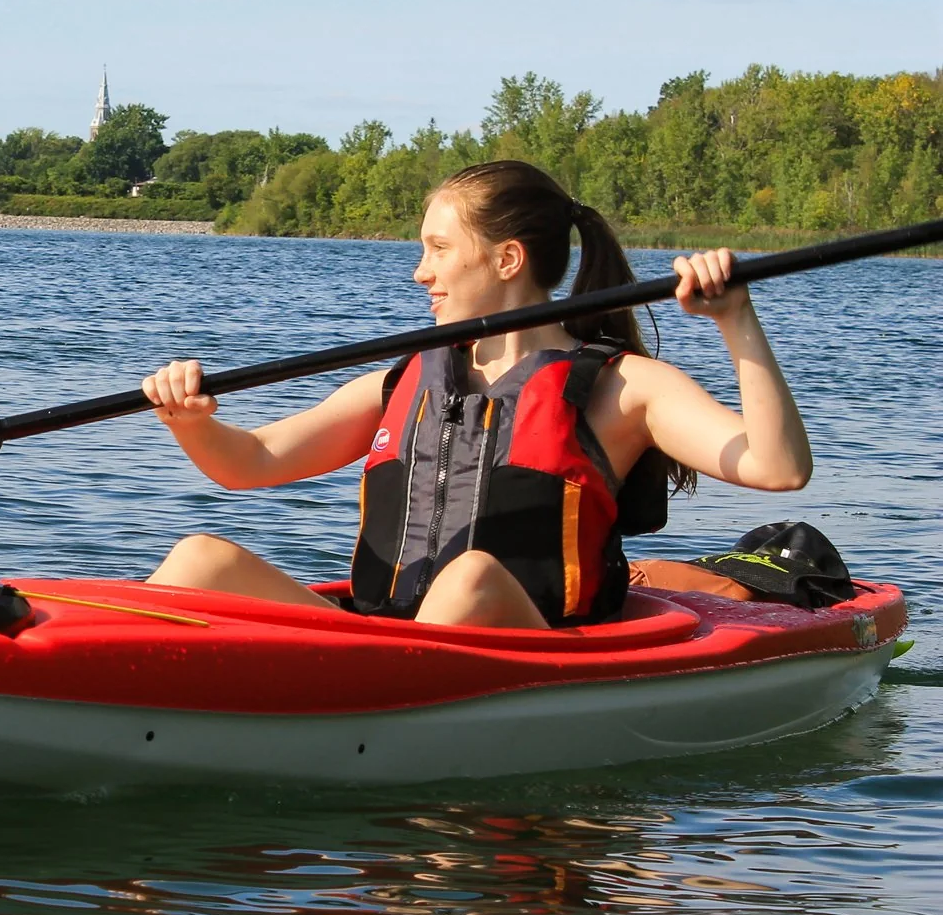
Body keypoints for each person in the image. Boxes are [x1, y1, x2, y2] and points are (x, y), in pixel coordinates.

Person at [140, 160, 812, 630]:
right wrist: (188, 419)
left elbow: (777, 468)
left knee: (469, 578)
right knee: (203, 556)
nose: (419, 271)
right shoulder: (405, 382)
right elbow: (249, 462)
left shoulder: (622, 388)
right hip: (389, 643)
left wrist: (735, 319)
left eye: (437, 248)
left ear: (507, 260)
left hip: (521, 652)